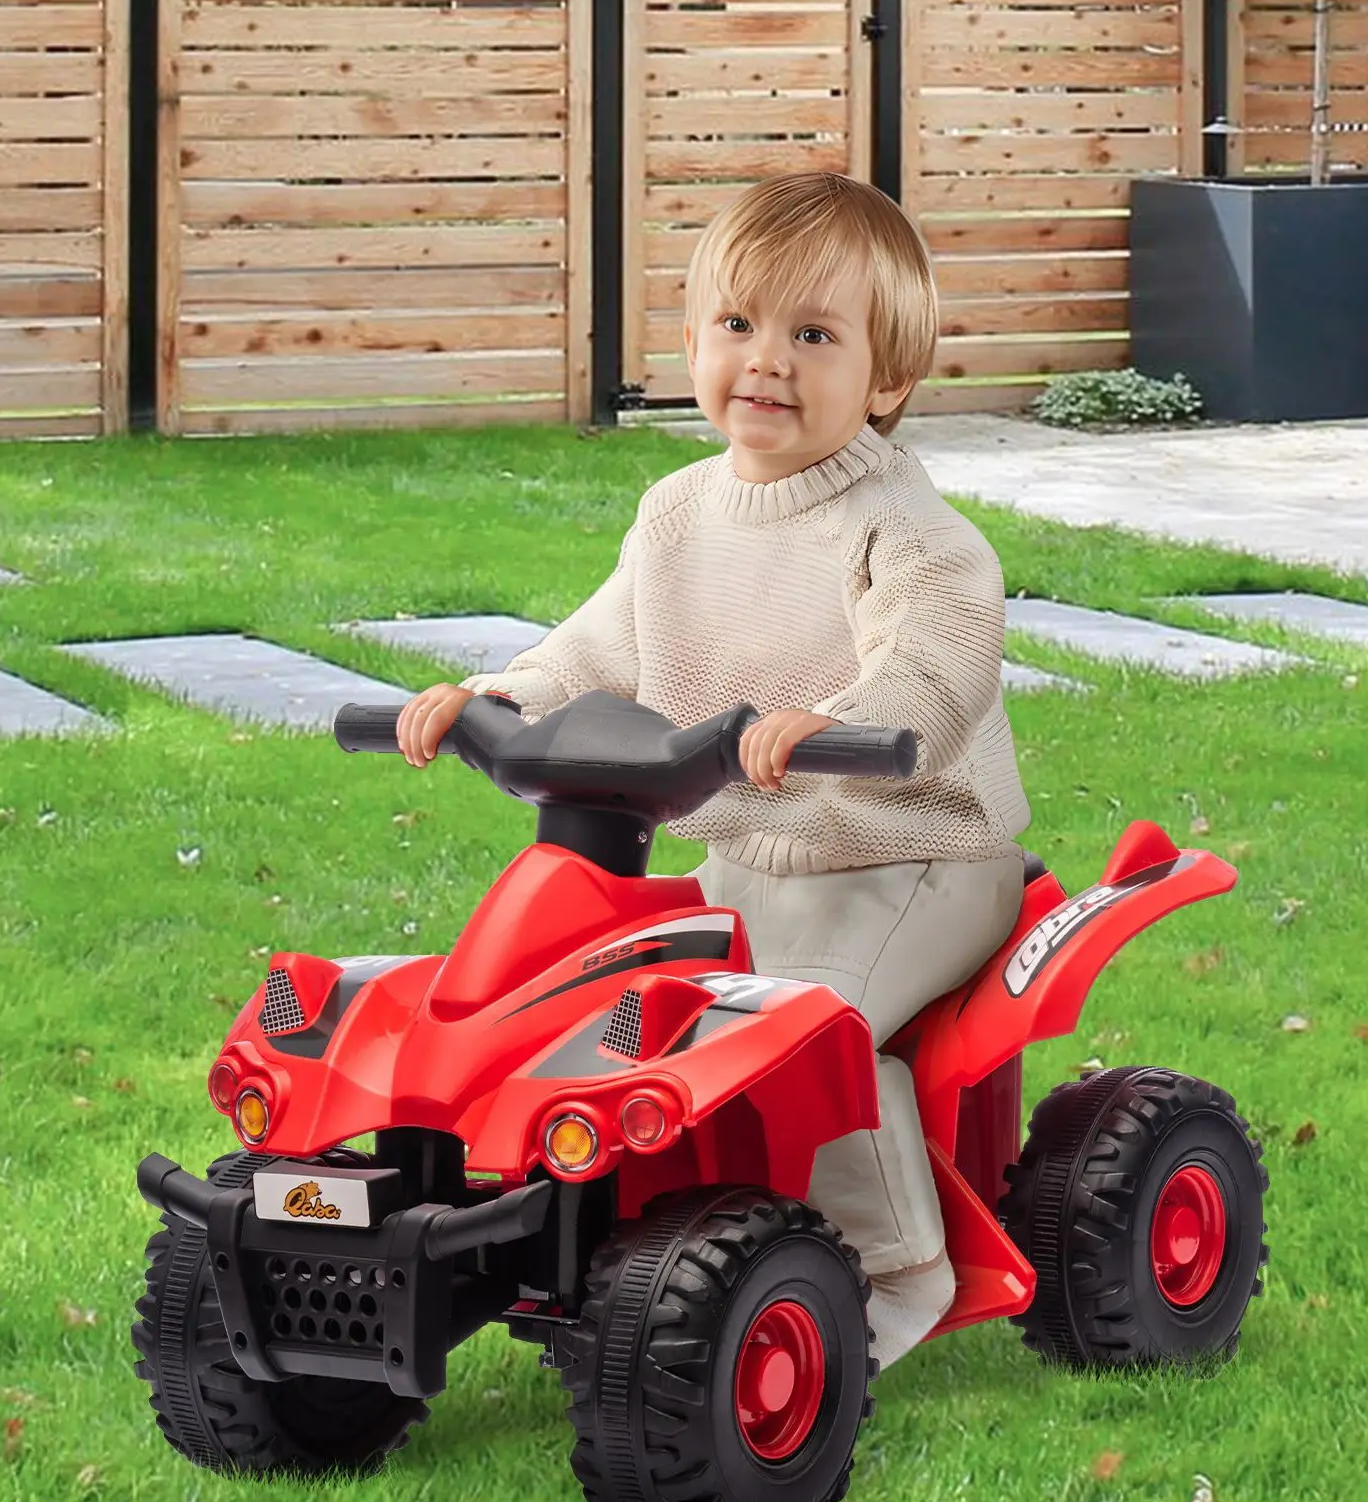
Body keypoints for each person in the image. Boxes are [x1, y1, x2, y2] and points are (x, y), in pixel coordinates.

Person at [394, 171, 1030, 1369]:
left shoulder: (910, 530)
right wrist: (499, 697)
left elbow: (935, 668)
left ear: (886, 378)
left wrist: (839, 716)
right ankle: (628, 1239)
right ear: (690, 342)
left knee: (809, 1027)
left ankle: (899, 1267)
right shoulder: (678, 512)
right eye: (737, 326)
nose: (766, 362)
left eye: (812, 335)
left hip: (911, 856)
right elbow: (600, 645)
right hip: (749, 854)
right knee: (608, 1016)